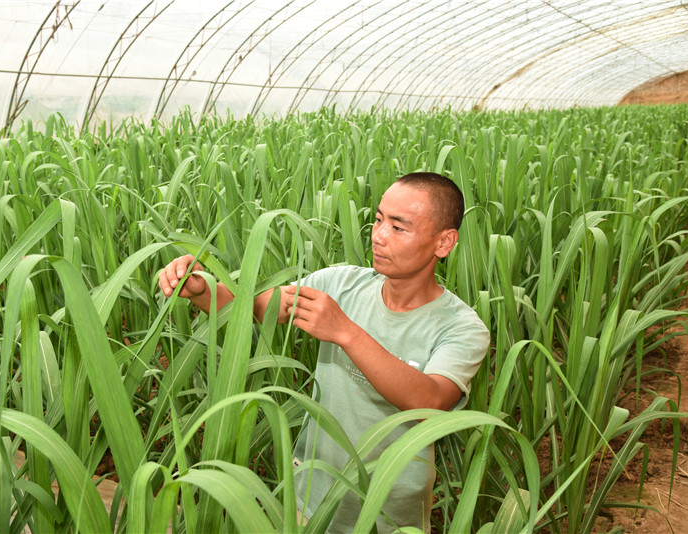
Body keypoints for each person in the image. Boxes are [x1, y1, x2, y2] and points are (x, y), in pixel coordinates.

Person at [158, 172, 490, 533]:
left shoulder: (461, 327)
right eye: (378, 219)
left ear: (444, 242)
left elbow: (430, 402)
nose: (378, 236)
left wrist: (345, 331)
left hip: (390, 514)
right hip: (310, 501)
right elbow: (253, 307)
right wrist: (201, 288)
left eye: (399, 227)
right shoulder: (341, 284)